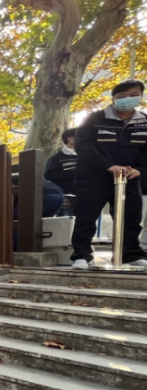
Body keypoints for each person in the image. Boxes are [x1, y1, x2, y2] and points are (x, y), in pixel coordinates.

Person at [70, 80, 147, 269]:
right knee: (86, 216)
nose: (127, 100)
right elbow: (84, 146)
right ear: (113, 99)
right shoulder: (94, 118)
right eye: (122, 96)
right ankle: (82, 255)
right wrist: (108, 166)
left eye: (133, 95)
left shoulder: (144, 121)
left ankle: (130, 254)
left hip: (129, 177)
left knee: (130, 217)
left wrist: (139, 169)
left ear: (141, 96)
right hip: (93, 177)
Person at [45, 128, 78, 217]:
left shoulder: (85, 156)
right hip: (66, 198)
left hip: (84, 198)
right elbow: (49, 177)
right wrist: (72, 173)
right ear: (70, 139)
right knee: (65, 227)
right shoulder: (56, 158)